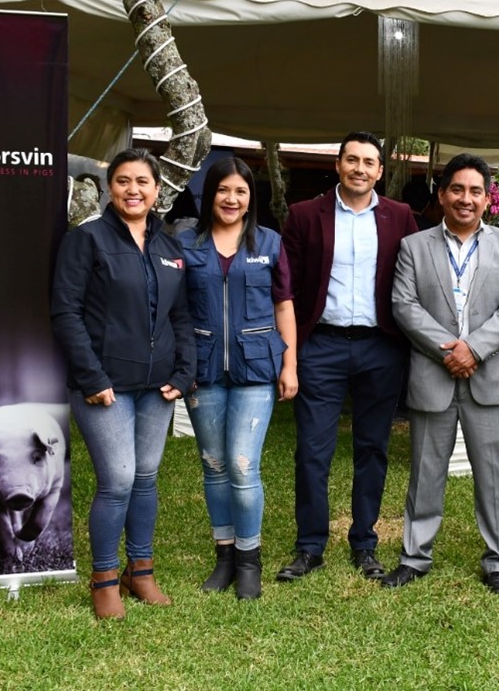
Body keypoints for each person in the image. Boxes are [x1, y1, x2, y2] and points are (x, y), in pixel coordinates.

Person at [50, 147, 194, 620]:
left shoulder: (169, 248)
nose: (133, 190)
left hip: (158, 387)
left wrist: (184, 372)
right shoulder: (86, 240)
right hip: (105, 386)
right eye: (123, 181)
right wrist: (91, 376)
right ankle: (105, 579)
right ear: (110, 188)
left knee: (146, 477)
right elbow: (66, 312)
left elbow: (181, 317)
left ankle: (141, 571)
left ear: (157, 190)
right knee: (117, 480)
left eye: (142, 182)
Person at [381, 153, 499, 595]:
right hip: (434, 372)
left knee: (495, 474)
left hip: (490, 376)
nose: (466, 199)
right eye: (458, 189)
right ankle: (414, 556)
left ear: (488, 198)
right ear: (442, 194)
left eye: (475, 191)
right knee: (425, 470)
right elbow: (404, 305)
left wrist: (475, 349)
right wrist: (450, 350)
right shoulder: (414, 245)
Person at [276, 132, 419, 583]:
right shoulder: (304, 214)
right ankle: (310, 546)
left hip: (381, 345)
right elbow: (286, 287)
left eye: (368, 162)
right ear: (337, 165)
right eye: (352, 160)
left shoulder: (400, 216)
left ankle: (364, 542)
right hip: (321, 344)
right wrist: (290, 352)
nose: (360, 168)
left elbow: (416, 278)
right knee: (312, 451)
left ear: (380, 171)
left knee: (372, 448)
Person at [178, 157, 298, 600]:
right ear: (210, 194)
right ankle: (224, 557)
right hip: (203, 369)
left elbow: (284, 305)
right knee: (214, 466)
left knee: (243, 466)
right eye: (223, 190)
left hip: (256, 370)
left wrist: (290, 365)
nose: (231, 199)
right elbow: (174, 309)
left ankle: (249, 561)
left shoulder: (269, 242)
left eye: (241, 191)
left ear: (251, 199)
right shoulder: (185, 243)